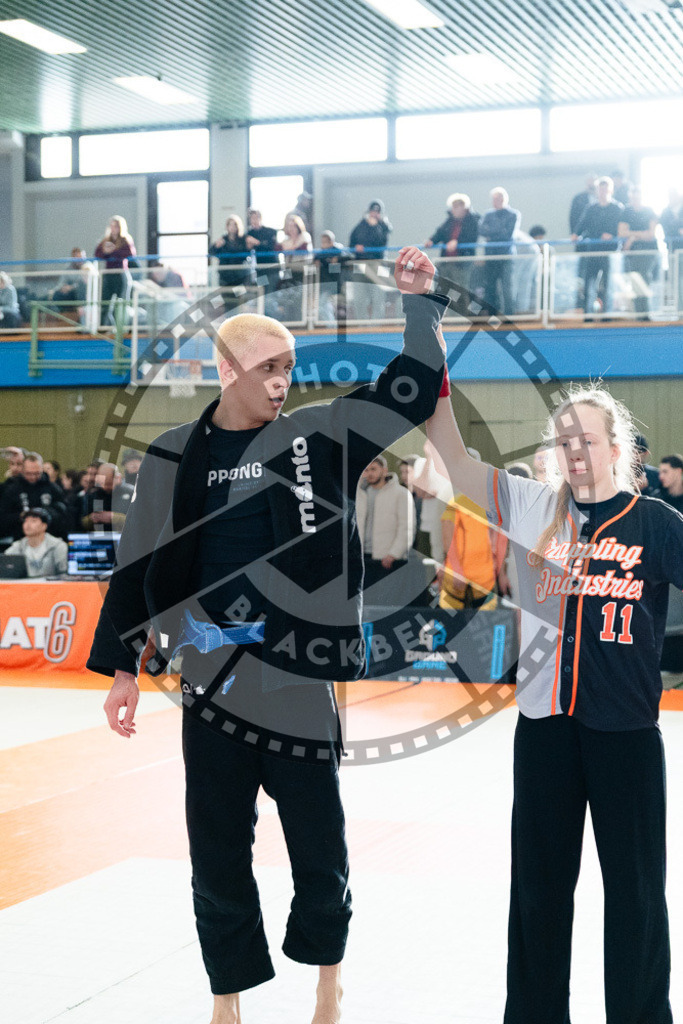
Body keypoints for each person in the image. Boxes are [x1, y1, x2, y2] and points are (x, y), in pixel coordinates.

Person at [86, 247, 447, 1024]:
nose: (282, 381)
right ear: (226, 369)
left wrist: (419, 303)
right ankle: (227, 996)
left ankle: (326, 981)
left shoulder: (320, 437)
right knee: (217, 853)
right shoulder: (173, 455)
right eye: (266, 368)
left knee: (320, 848)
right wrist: (121, 668)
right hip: (210, 682)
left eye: (288, 367)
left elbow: (411, 390)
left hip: (295, 679)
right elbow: (136, 561)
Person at [422, 274, 682, 1022]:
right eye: (562, 440)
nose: (573, 450)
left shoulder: (655, 523)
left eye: (586, 439)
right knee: (537, 892)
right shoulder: (529, 505)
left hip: (626, 732)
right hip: (544, 732)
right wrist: (423, 327)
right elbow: (450, 453)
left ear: (617, 448)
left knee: (636, 893)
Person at [356, 455, 415, 590]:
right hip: (362, 557)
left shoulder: (401, 494)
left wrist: (394, 554)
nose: (370, 473)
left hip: (387, 559)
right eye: (366, 470)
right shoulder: (359, 493)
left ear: (384, 470)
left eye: (373, 469)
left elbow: (407, 527)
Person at [573, 176, 623, 316]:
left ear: (611, 191)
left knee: (608, 284)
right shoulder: (591, 208)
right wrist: (576, 234)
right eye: (600, 190)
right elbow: (581, 225)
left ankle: (607, 314)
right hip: (593, 250)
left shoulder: (617, 208)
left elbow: (621, 229)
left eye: (605, 189)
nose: (602, 192)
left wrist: (612, 236)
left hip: (609, 251)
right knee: (589, 283)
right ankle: (588, 314)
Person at [0, 452, 68, 540]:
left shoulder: (52, 488)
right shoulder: (12, 489)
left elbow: (63, 512)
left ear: (42, 470)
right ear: (22, 470)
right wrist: (21, 516)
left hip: (48, 537)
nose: (33, 477)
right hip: (21, 538)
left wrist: (46, 514)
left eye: (37, 473)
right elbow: (4, 517)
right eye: (28, 473)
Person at [425, 193, 480, 294]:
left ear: (464, 207)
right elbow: (440, 232)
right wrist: (432, 240)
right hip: (446, 261)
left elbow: (472, 237)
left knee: (461, 290)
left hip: (462, 262)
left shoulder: (472, 221)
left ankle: (463, 305)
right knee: (443, 290)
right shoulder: (450, 221)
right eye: (453, 207)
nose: (453, 210)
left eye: (456, 207)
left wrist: (458, 242)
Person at [478, 187, 521, 316]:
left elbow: (507, 234)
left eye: (499, 198)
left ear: (505, 199)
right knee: (490, 286)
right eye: (494, 199)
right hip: (491, 256)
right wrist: (497, 231)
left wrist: (491, 233)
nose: (496, 201)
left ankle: (509, 316)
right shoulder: (488, 214)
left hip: (506, 255)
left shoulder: (513, 214)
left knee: (507, 287)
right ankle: (492, 314)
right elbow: (481, 230)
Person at [618, 187, 659, 319]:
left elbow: (651, 235)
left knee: (643, 279)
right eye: (633, 198)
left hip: (648, 251)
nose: (635, 200)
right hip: (632, 253)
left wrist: (632, 237)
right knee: (634, 280)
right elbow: (621, 232)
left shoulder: (649, 211)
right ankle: (639, 314)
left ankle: (645, 314)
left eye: (637, 197)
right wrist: (640, 235)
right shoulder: (626, 212)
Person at [348, 200, 393, 320]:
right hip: (361, 264)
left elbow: (381, 242)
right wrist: (356, 248)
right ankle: (361, 325)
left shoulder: (384, 227)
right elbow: (351, 243)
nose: (374, 214)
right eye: (372, 211)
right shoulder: (361, 226)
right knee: (359, 298)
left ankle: (376, 325)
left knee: (378, 297)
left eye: (377, 212)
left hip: (377, 264)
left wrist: (374, 226)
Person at [94, 216, 136, 322]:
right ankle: (104, 326)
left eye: (116, 226)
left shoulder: (125, 239)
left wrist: (113, 251)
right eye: (111, 226)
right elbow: (97, 253)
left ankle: (122, 327)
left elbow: (130, 254)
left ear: (121, 227)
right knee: (105, 303)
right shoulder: (106, 239)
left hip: (120, 273)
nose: (113, 228)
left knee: (121, 303)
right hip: (108, 274)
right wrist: (105, 252)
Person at [5, 508, 68, 577]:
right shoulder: (18, 546)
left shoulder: (58, 546)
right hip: (24, 583)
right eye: (25, 521)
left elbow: (64, 573)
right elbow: (4, 563)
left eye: (33, 521)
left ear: (44, 526)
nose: (28, 525)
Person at [81, 462, 134, 532]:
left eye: (109, 484)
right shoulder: (93, 494)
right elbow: (81, 522)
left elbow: (140, 520)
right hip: (100, 536)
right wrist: (92, 518)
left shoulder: (132, 493)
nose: (105, 487)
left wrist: (114, 518)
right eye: (102, 484)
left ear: (118, 478)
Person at [209, 217, 255, 290]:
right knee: (227, 295)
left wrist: (249, 247)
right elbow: (211, 252)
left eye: (235, 225)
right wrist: (216, 246)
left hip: (240, 274)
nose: (232, 227)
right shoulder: (223, 239)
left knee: (240, 295)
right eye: (230, 225)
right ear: (227, 227)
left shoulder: (243, 239)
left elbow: (247, 255)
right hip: (225, 274)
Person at [316, 230, 350, 322]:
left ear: (331, 242)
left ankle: (331, 325)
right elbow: (316, 258)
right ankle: (331, 324)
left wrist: (337, 258)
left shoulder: (338, 251)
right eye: (322, 242)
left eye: (325, 242)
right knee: (324, 305)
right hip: (325, 284)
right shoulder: (321, 253)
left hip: (335, 284)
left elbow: (348, 256)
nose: (323, 245)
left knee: (322, 304)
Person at [50, 248, 92, 321]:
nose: (78, 260)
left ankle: (80, 314)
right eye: (76, 258)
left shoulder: (88, 267)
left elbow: (83, 283)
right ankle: (62, 316)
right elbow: (61, 282)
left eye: (80, 257)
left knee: (80, 290)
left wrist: (72, 287)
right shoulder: (69, 269)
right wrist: (58, 289)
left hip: (84, 294)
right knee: (56, 295)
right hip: (71, 293)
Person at [659, 188, 683, 308]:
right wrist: (678, 230)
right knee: (675, 279)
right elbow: (667, 229)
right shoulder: (665, 212)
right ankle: (680, 309)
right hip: (673, 251)